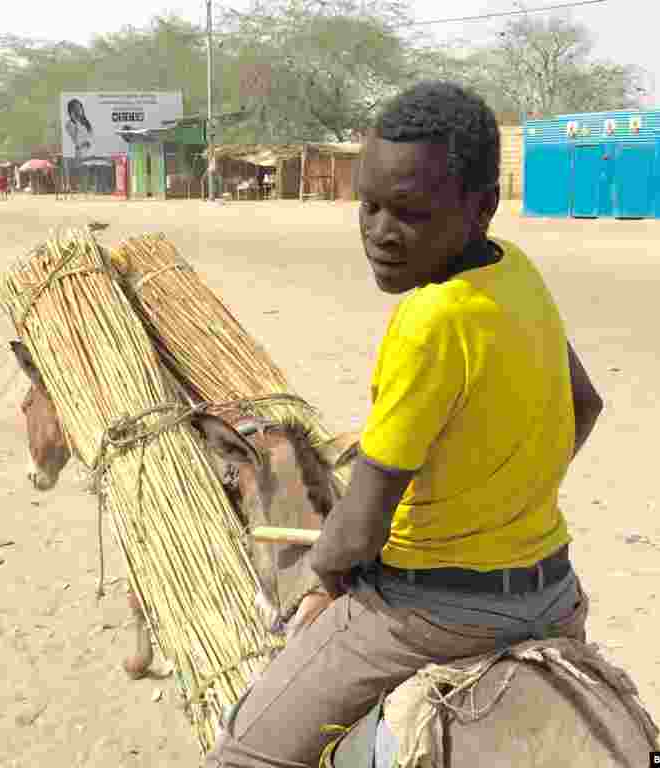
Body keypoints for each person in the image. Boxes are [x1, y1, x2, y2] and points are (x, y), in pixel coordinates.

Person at [205, 81, 605, 768]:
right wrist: (503, 496)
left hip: (431, 617)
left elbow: (359, 527)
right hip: (553, 595)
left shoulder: (428, 320)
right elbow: (586, 402)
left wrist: (322, 583)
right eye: (369, 205)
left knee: (241, 752)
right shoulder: (517, 272)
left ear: (480, 207)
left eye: (411, 213)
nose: (381, 234)